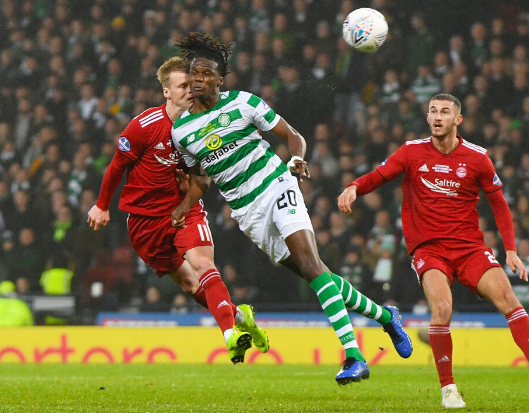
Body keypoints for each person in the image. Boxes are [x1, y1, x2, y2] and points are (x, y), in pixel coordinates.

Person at [170, 32, 413, 385]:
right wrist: (184, 205)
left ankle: (354, 355)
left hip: (276, 185)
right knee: (319, 277)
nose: (198, 80)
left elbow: (293, 135)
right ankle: (386, 317)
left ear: (220, 80)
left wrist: (296, 159)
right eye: (193, 74)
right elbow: (201, 180)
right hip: (247, 212)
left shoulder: (243, 103)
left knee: (313, 266)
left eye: (206, 74)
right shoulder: (182, 131)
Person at [338, 93, 529, 407]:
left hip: (469, 247)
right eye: (432, 111)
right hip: (428, 249)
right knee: (442, 309)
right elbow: (379, 176)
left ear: (457, 120)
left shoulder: (478, 158)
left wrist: (510, 251)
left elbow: (499, 204)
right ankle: (448, 390)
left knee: (507, 297)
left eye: (444, 112)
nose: (436, 117)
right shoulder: (412, 151)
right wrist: (353, 187)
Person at [87, 56, 268, 364]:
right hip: (144, 222)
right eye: (182, 86)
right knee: (188, 283)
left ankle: (230, 335)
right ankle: (238, 317)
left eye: (191, 85)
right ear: (166, 92)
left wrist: (190, 193)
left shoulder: (201, 126)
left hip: (184, 210)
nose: (189, 90)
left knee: (202, 264)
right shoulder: (143, 127)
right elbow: (117, 166)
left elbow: (203, 179)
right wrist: (102, 205)